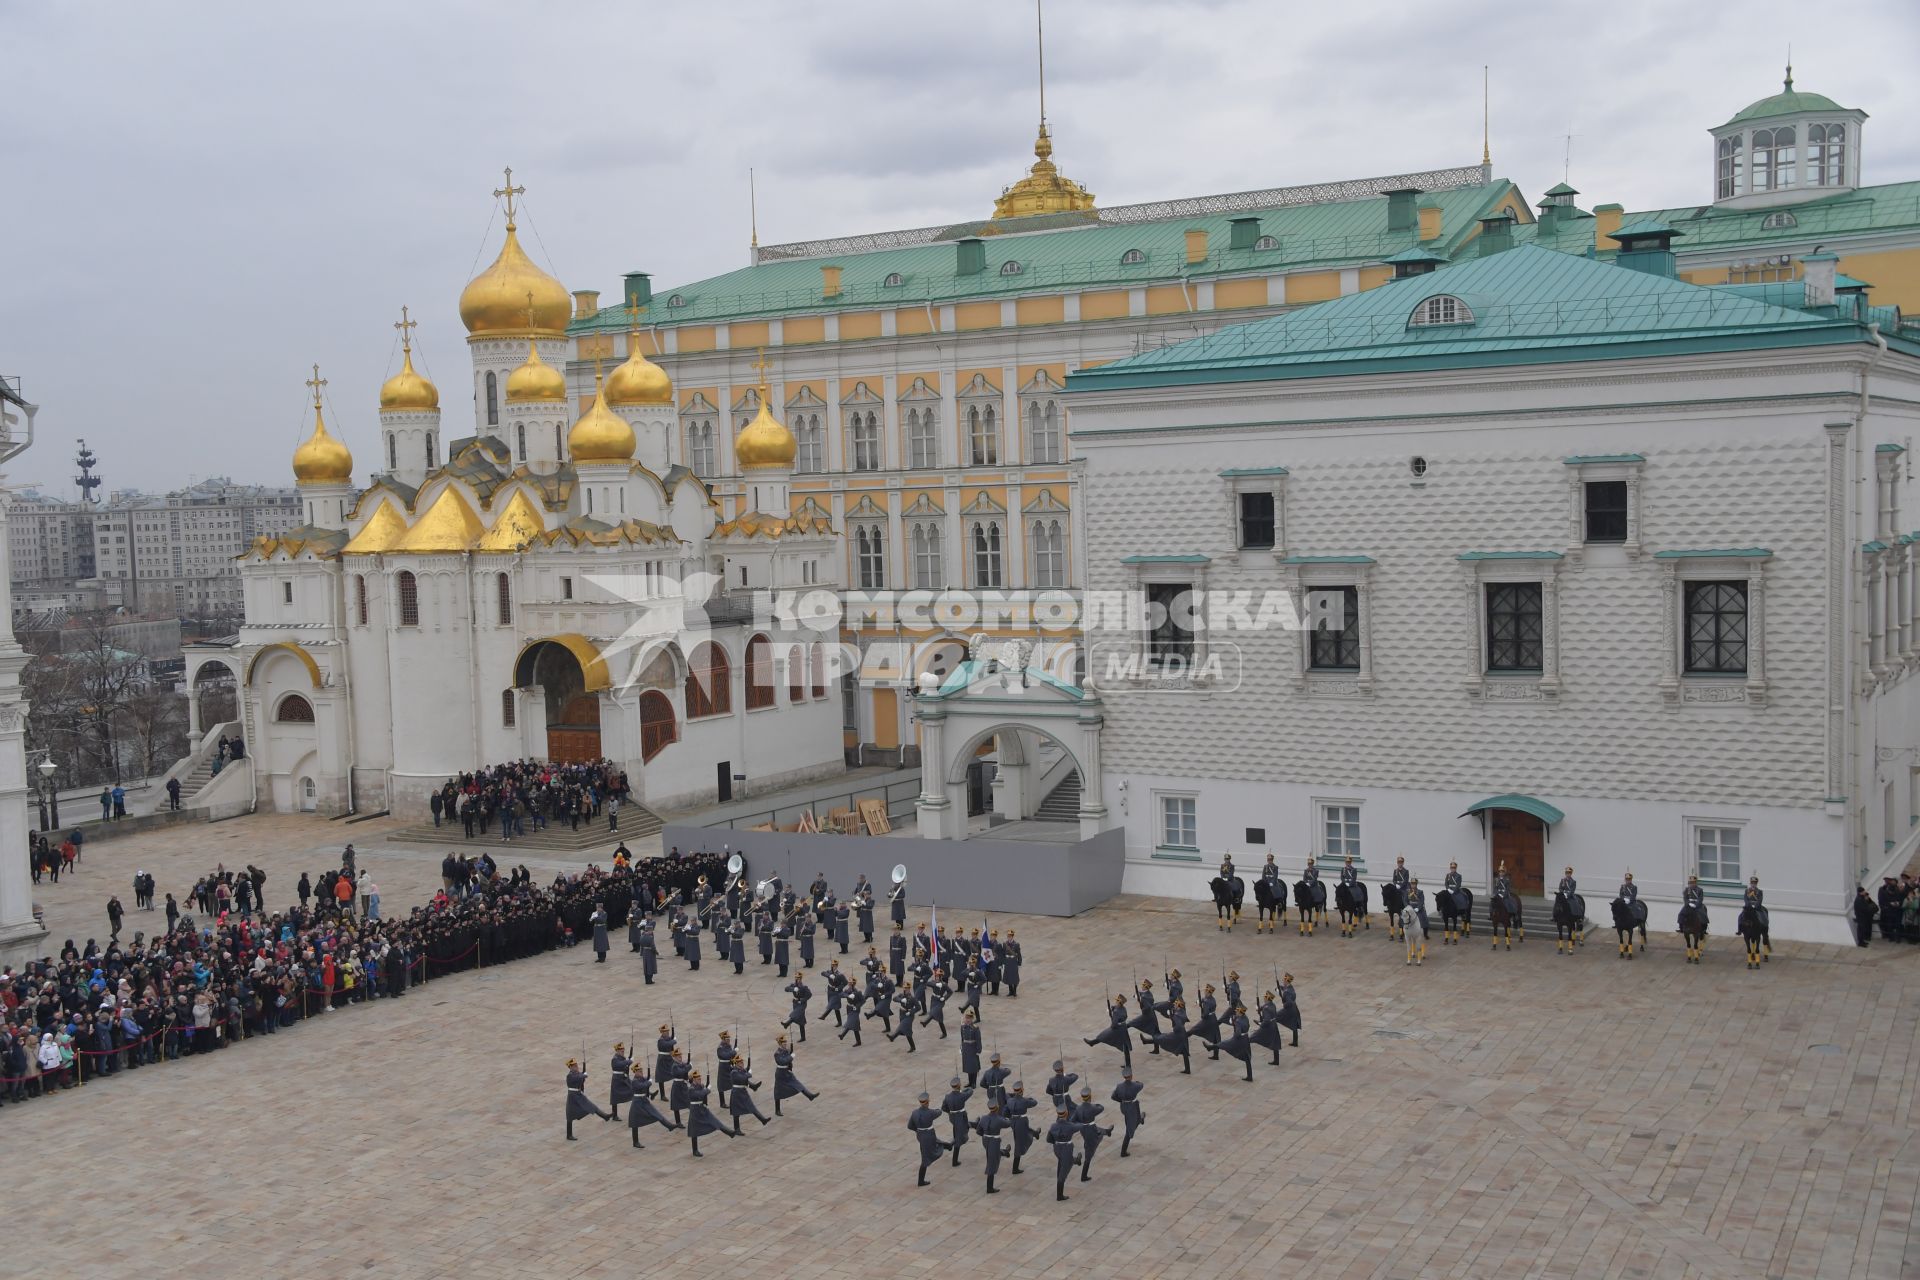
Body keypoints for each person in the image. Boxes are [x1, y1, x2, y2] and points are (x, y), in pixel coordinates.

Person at [625, 1063, 680, 1148]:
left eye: (641, 1071)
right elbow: (643, 1085)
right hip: (637, 1103)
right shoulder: (635, 1081)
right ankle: (635, 1142)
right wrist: (649, 1082)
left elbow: (645, 1079)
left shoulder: (640, 1078)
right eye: (639, 1071)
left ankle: (669, 1125)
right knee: (634, 1123)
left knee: (656, 1113)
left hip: (644, 1101)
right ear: (635, 1072)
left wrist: (648, 1076)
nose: (641, 1073)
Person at [684, 1070, 733, 1157]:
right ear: (694, 1080)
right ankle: (695, 1150)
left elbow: (703, 1094)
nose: (700, 1080)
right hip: (695, 1110)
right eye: (698, 1079)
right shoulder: (691, 1089)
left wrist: (706, 1089)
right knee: (694, 1130)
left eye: (700, 1079)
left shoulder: (701, 1086)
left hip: (702, 1108)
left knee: (714, 1120)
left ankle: (729, 1132)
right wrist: (707, 1089)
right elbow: (699, 1094)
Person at [908, 1091, 951, 1186]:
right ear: (927, 1102)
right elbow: (939, 1112)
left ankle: (948, 1146)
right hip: (929, 1135)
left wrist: (918, 1130)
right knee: (926, 1158)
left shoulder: (914, 1113)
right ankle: (920, 1181)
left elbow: (910, 1126)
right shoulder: (930, 1112)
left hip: (921, 1135)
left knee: (936, 1143)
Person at [771, 1034, 819, 1116]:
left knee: (797, 1083)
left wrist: (791, 1052)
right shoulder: (777, 1053)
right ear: (780, 1044)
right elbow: (782, 1061)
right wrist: (791, 1057)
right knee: (778, 1091)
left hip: (787, 1071)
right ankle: (777, 1110)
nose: (785, 1044)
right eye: (783, 1043)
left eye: (785, 1042)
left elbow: (788, 1058)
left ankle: (809, 1095)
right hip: (780, 1073)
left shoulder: (786, 1050)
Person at [724, 1054, 771, 1134]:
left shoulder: (742, 1070)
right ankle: (737, 1129)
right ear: (736, 1063)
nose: (742, 1063)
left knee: (751, 1106)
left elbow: (744, 1078)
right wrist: (748, 1074)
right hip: (736, 1093)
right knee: (736, 1112)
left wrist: (747, 1070)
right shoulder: (734, 1072)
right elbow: (742, 1078)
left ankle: (762, 1119)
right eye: (740, 1062)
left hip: (743, 1091)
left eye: (742, 1062)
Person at [565, 1058, 610, 1140]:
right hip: (572, 1097)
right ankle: (569, 1135)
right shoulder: (570, 1075)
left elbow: (580, 1080)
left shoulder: (577, 1073)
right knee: (570, 1116)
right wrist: (583, 1075)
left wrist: (582, 1076)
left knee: (592, 1106)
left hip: (578, 1095)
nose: (576, 1067)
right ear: (570, 1067)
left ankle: (605, 1116)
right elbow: (577, 1078)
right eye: (574, 1066)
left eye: (576, 1065)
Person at [1046, 1107, 1084, 1201]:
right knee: (1063, 1172)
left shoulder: (1053, 1126)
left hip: (1057, 1149)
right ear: (1066, 1114)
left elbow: (1048, 1139)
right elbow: (1080, 1126)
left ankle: (1075, 1160)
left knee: (1062, 1163)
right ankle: (1060, 1196)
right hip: (1066, 1149)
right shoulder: (1070, 1126)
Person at [973, 1101, 1011, 1193]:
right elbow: (1008, 1123)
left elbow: (978, 1131)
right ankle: (989, 1188)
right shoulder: (999, 1119)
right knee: (992, 1163)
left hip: (985, 1140)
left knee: (992, 1154)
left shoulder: (984, 1118)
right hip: (994, 1141)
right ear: (997, 1108)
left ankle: (1005, 1152)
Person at [941, 1076, 974, 1167]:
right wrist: (966, 1089)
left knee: (958, 1131)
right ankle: (954, 1161)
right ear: (959, 1085)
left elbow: (943, 1108)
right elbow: (970, 1091)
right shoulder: (962, 1095)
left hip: (953, 1117)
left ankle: (952, 1143)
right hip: (961, 1117)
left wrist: (950, 1112)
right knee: (959, 1138)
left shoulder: (947, 1097)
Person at [1112, 1068, 1146, 1157]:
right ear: (1131, 1076)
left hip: (1124, 1107)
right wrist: (1136, 1081)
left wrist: (1122, 1101)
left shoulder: (1119, 1086)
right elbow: (1141, 1085)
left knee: (1135, 1119)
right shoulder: (1135, 1086)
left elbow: (1113, 1096)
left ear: (1124, 1076)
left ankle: (1140, 1119)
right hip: (1132, 1108)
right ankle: (1123, 1152)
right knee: (1129, 1129)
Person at [782, 973, 812, 1042]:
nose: (797, 979)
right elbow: (786, 989)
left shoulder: (804, 987)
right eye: (796, 978)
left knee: (795, 1014)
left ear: (801, 979)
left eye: (798, 978)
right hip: (795, 1003)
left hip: (802, 1004)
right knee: (801, 1020)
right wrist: (793, 989)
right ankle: (803, 1037)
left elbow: (809, 995)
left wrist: (802, 1000)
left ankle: (787, 1023)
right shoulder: (793, 985)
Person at [1278, 973, 1302, 1047]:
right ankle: (1295, 1042)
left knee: (1275, 1016)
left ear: (1286, 981)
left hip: (1289, 1009)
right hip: (1294, 1008)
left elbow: (1288, 1002)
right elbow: (1285, 989)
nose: (1283, 981)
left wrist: (1284, 1004)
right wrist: (1280, 987)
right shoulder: (1290, 988)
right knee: (1294, 1024)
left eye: (1284, 980)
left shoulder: (1287, 991)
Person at [609, 1043, 632, 1121]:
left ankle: (648, 1093)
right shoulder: (615, 1059)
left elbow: (625, 1067)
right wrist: (628, 1062)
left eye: (623, 1051)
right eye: (621, 1051)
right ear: (617, 1051)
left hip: (623, 1078)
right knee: (614, 1098)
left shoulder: (622, 1057)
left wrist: (628, 1063)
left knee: (633, 1088)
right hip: (616, 1079)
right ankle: (614, 1115)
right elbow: (619, 1065)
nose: (623, 1052)